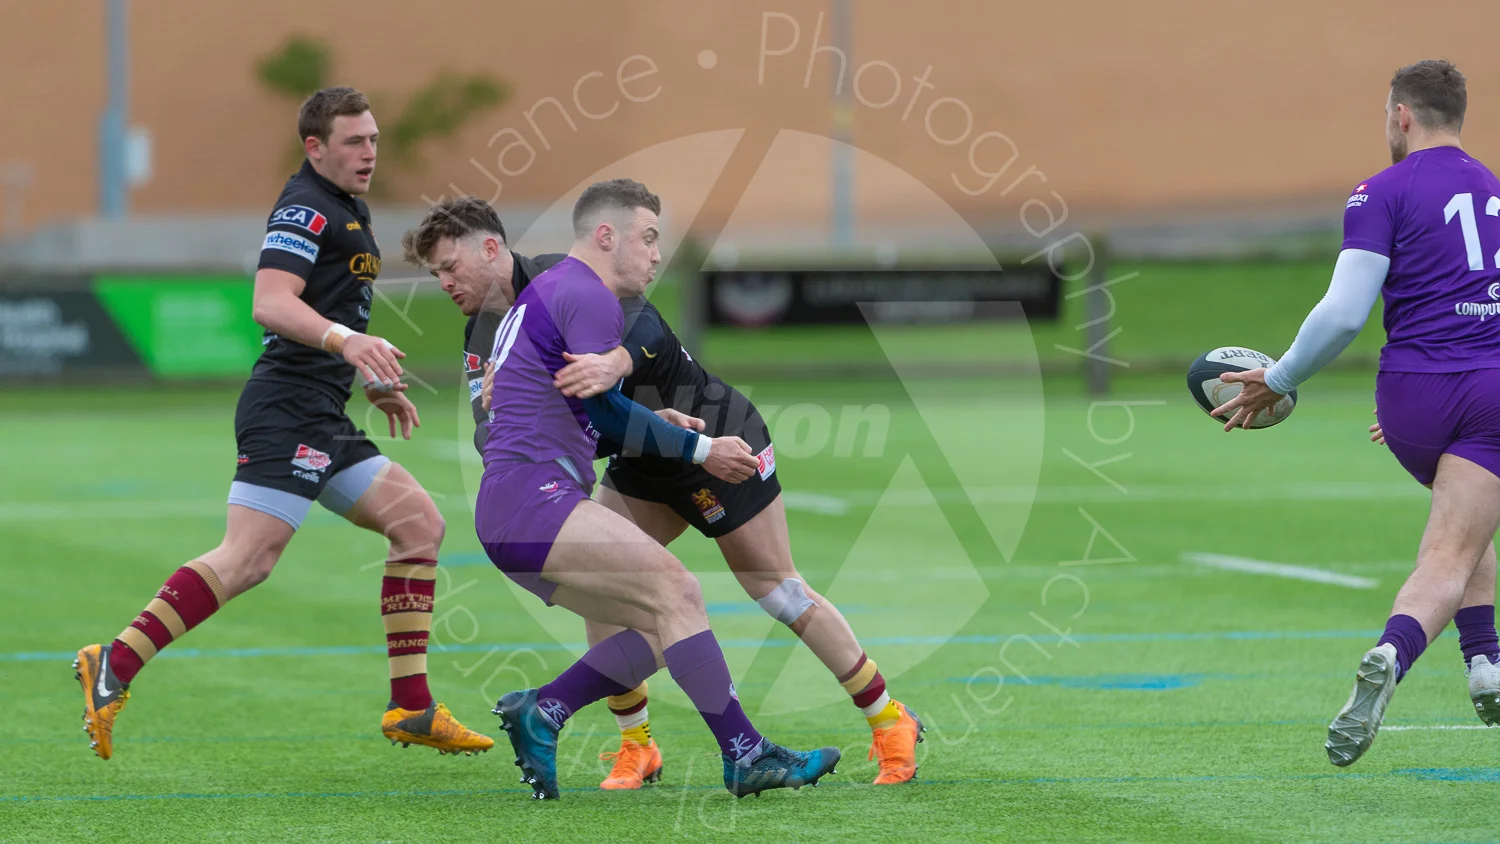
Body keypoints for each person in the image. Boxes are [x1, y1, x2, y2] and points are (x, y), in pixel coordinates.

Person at [404, 193, 925, 789]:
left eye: (449, 267)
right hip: (635, 446)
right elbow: (489, 431)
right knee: (624, 590)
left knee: (776, 590)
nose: (444, 282)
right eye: (437, 273)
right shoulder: (482, 335)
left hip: (706, 426)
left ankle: (888, 719)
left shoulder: (563, 276)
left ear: (491, 250)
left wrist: (616, 362)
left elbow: (648, 324)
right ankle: (637, 743)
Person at [73, 87, 492, 761]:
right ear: (315, 147)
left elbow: (328, 311)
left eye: (375, 139)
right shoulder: (305, 207)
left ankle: (411, 707)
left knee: (418, 524)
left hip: (323, 411)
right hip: (286, 410)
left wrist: (367, 378)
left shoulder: (346, 207)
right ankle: (114, 664)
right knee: (249, 559)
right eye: (355, 142)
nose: (370, 153)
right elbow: (270, 303)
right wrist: (349, 345)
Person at [1213, 60, 1500, 766]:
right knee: (1453, 548)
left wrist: (1278, 380)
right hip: (1490, 386)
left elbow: (1344, 315)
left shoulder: (1380, 191)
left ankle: (1485, 660)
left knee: (1463, 518)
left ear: (1401, 115)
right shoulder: (1495, 191)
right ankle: (1394, 653)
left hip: (1407, 394)